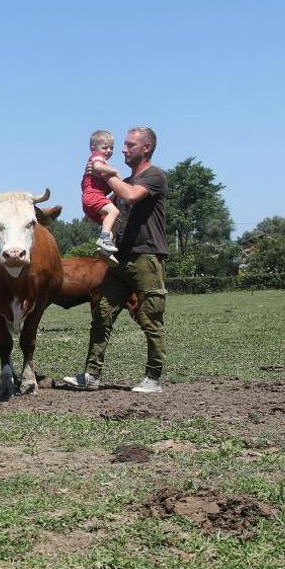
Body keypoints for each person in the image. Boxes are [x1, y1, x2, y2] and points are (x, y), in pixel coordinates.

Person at [61, 126, 168, 394]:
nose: (122, 149)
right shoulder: (124, 180)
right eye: (123, 144)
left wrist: (103, 174)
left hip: (147, 256)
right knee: (102, 314)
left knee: (150, 316)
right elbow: (102, 209)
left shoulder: (153, 176)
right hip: (119, 259)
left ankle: (153, 378)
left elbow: (130, 196)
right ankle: (91, 375)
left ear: (146, 148)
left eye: (130, 145)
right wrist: (91, 191)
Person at [81, 130, 121, 258]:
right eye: (105, 147)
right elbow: (97, 167)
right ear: (93, 149)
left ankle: (105, 249)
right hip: (93, 196)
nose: (109, 150)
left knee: (115, 222)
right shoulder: (97, 158)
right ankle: (104, 239)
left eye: (111, 148)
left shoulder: (102, 161)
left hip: (90, 199)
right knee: (114, 212)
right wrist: (114, 171)